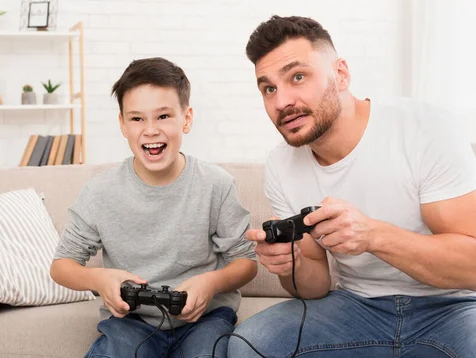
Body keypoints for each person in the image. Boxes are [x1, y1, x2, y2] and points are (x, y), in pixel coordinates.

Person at [228, 15, 476, 357]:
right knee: (249, 345)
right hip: (356, 307)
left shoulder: (423, 128)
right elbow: (316, 286)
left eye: (297, 77)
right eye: (269, 88)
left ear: (341, 74)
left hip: (452, 307)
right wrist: (293, 264)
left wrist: (373, 236)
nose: (282, 101)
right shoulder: (281, 164)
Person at [50, 57, 258, 358]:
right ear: (122, 124)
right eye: (137, 119)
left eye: (163, 116)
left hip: (205, 319)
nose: (150, 130)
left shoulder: (217, 185)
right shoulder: (100, 191)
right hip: (131, 320)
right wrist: (99, 279)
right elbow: (61, 266)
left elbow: (246, 262)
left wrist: (211, 283)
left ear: (186, 119)